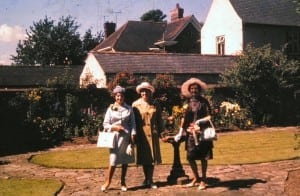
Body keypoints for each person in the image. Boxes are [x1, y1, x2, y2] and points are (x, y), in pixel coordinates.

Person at [175, 78, 213, 190]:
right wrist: (181, 131)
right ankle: (196, 178)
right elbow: (184, 118)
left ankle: (204, 180)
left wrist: (199, 122)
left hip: (203, 133)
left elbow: (209, 116)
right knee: (190, 157)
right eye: (191, 89)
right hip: (191, 134)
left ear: (199, 90)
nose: (193, 90)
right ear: (189, 90)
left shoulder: (204, 102)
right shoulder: (187, 103)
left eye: (196, 88)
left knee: (203, 157)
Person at [101, 85, 136, 192]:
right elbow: (105, 124)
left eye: (121, 96)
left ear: (124, 97)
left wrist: (133, 135)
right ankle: (107, 182)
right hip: (115, 138)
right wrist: (114, 127)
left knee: (125, 161)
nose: (119, 98)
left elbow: (133, 124)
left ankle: (123, 182)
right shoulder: (110, 109)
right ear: (115, 97)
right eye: (117, 96)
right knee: (113, 160)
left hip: (126, 137)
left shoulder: (129, 108)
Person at [132, 82, 164, 189]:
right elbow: (133, 122)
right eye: (142, 91)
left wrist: (162, 132)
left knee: (152, 158)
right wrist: (133, 134)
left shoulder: (155, 104)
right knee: (145, 158)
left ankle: (150, 180)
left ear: (150, 92)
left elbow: (160, 120)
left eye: (147, 91)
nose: (144, 93)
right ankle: (146, 178)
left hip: (153, 133)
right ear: (140, 93)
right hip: (142, 135)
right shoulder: (135, 105)